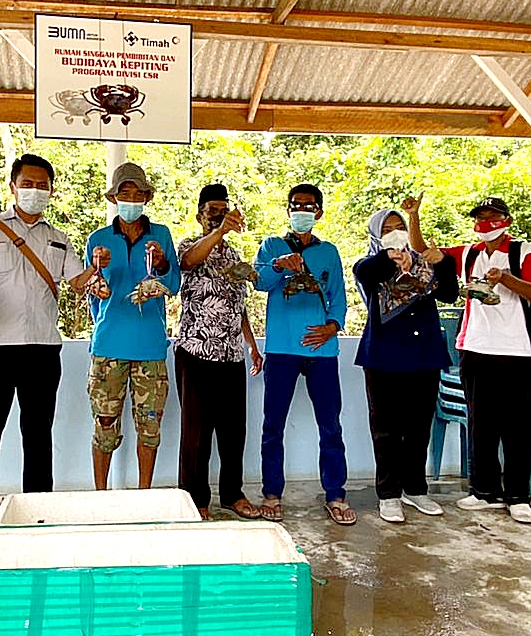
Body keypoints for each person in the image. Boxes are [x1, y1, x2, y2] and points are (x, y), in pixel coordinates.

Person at [0, 153, 98, 526]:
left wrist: (98, 271)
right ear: (13, 186)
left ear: (52, 190)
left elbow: (79, 282)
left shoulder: (59, 239)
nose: (35, 191)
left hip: (43, 350)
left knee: (38, 437)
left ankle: (38, 517)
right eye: (28, 184)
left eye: (42, 185)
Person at [353, 195, 459, 525]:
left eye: (400, 228)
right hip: (382, 358)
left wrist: (434, 257)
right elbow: (374, 272)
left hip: (424, 356)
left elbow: (450, 293)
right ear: (375, 235)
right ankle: (389, 494)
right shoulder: (367, 265)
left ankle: (415, 489)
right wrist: (392, 257)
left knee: (418, 428)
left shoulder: (426, 263)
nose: (396, 234)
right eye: (388, 230)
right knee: (385, 430)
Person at [254, 184, 355, 525]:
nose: (301, 211)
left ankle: (336, 494)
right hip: (282, 348)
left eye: (308, 206)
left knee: (330, 425)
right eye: (295, 205)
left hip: (322, 349)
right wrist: (280, 264)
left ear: (319, 213)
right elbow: (260, 282)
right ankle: (271, 493)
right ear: (287, 210)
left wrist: (333, 325)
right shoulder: (271, 246)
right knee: (273, 425)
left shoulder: (329, 251)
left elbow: (338, 294)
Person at [84, 161, 182, 491]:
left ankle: (144, 495)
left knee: (150, 426)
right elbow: (92, 291)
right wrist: (99, 272)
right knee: (105, 421)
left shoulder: (162, 235)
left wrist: (163, 262)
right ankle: (101, 494)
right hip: (108, 346)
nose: (131, 199)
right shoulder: (98, 240)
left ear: (146, 198)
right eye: (125, 192)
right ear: (114, 198)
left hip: (151, 347)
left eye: (137, 193)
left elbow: (174, 284)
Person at [450, 196, 531, 524]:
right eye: (480, 218)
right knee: (481, 424)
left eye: (492, 218)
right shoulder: (469, 253)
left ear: (506, 219)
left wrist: (505, 278)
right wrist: (414, 217)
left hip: (515, 351)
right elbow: (427, 252)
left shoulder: (524, 252)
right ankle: (483, 490)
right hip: (475, 348)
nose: (485, 224)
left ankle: (519, 495)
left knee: (517, 426)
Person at [174, 183, 265, 520]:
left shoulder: (234, 257)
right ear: (200, 215)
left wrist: (252, 345)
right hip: (195, 352)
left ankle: (232, 494)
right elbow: (189, 260)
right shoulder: (187, 245)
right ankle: (194, 499)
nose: (218, 217)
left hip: (230, 355)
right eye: (212, 211)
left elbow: (237, 305)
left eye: (223, 211)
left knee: (233, 431)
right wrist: (218, 232)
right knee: (196, 433)